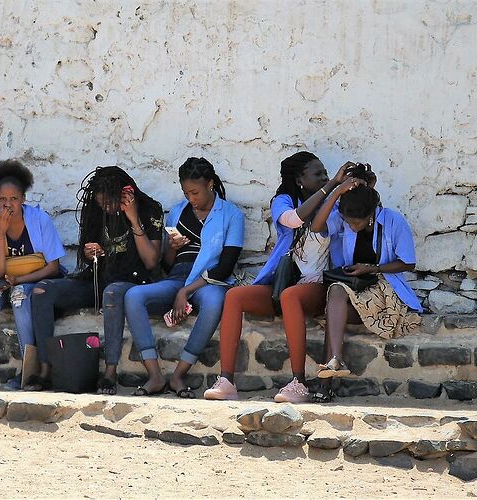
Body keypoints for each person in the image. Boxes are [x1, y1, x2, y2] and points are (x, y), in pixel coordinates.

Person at [204, 152, 351, 402]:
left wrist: (336, 190)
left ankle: (299, 383)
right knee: (236, 296)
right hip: (281, 282)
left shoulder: (335, 207)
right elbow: (293, 220)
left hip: (317, 286)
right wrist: (331, 187)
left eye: (326, 173)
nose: (326, 177)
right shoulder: (283, 201)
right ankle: (226, 381)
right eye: (318, 174)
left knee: (291, 295)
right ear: (299, 179)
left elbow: (324, 224)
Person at [30, 166, 163, 393]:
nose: (107, 209)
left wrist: (133, 219)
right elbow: (87, 249)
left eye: (110, 203)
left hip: (131, 281)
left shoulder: (149, 209)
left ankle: (110, 371)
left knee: (111, 293)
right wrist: (89, 251)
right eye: (103, 204)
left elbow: (151, 261)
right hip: (97, 278)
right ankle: (44, 368)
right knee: (42, 291)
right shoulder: (95, 210)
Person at [124, 157, 244, 398]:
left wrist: (185, 292)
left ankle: (179, 374)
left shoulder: (231, 215)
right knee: (133, 296)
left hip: (208, 280)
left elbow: (225, 267)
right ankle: (155, 375)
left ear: (210, 184)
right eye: (186, 192)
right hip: (178, 276)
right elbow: (168, 265)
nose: (191, 198)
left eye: (195, 192)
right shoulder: (178, 211)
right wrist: (173, 248)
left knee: (213, 302)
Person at [308, 164, 422, 402]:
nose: (351, 227)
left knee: (333, 311)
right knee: (336, 295)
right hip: (353, 289)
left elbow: (408, 263)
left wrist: (373, 268)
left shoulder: (392, 221)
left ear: (370, 216)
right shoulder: (345, 216)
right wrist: (337, 192)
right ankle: (334, 360)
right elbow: (316, 226)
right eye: (348, 223)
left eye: (356, 224)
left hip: (383, 288)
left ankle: (325, 381)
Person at [0, 159, 65, 390]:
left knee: (19, 296)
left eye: (14, 199)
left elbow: (54, 267)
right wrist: (1, 234)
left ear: (23, 199)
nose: (8, 205)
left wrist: (19, 280)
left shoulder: (39, 220)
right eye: (2, 200)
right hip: (4, 278)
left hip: (34, 277)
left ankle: (27, 372)